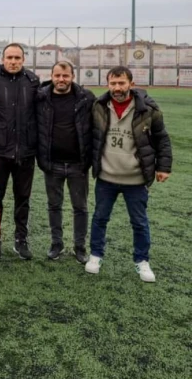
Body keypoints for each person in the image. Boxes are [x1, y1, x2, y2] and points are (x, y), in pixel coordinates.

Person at [86, 66, 172, 282]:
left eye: (121, 83)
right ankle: (95, 255)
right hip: (106, 177)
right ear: (108, 84)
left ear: (131, 84)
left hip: (136, 178)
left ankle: (142, 261)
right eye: (113, 83)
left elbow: (162, 138)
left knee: (139, 222)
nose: (117, 88)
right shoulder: (98, 106)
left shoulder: (148, 109)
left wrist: (164, 167)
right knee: (100, 218)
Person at [0, 43, 40, 260]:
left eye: (17, 58)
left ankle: (20, 240)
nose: (13, 61)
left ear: (23, 60)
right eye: (9, 57)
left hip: (26, 151)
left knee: (23, 198)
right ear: (2, 59)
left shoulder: (33, 81)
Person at [35, 61, 95, 263]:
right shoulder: (41, 98)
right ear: (51, 76)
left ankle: (80, 247)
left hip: (78, 164)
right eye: (57, 75)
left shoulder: (86, 98)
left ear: (72, 77)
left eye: (65, 76)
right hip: (52, 164)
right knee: (54, 206)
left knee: (80, 207)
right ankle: (56, 244)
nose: (61, 79)